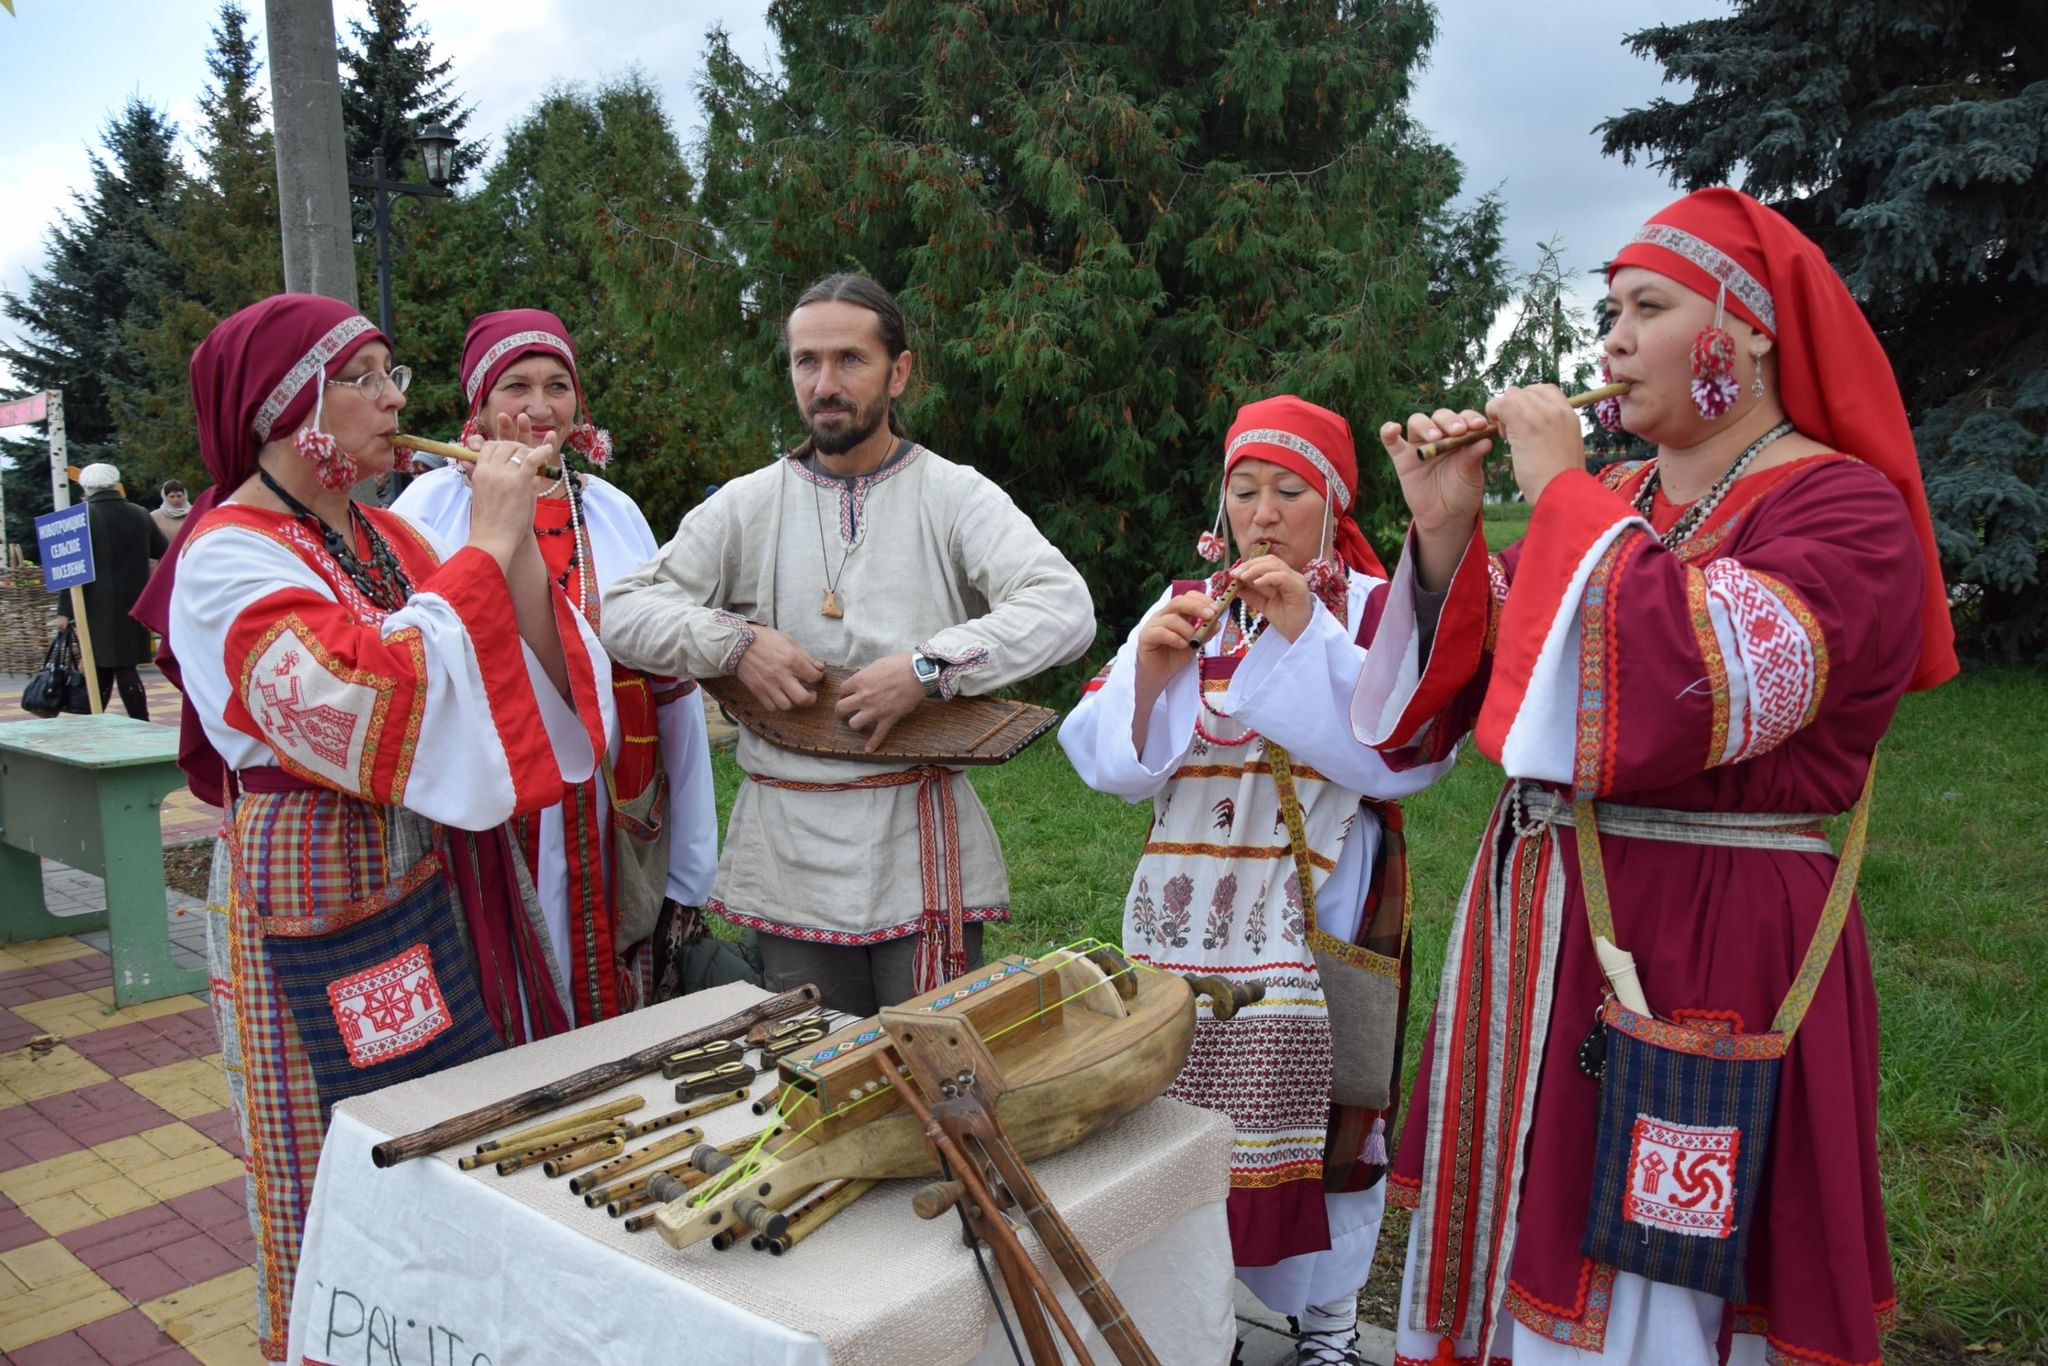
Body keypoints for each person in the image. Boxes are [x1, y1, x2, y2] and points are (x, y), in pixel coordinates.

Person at [1358, 188, 1955, 1366]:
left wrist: (1556, 492)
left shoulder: (1845, 507)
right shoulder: (1620, 503)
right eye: (1608, 310)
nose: (1611, 342)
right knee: (1527, 1207)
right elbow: (1502, 683)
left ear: (1739, 332)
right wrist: (1442, 535)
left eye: (1647, 307)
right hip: (1538, 928)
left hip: (1704, 935)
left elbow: (1699, 682)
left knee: (1653, 1251)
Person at [131, 293, 611, 1362]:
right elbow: (356, 699)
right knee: (354, 1136)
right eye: (366, 377)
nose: (397, 398)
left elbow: (509, 665)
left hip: (439, 864)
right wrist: (487, 540)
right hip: (320, 877)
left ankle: (471, 1331)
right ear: (286, 409)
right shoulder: (224, 556)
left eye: (391, 373)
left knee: (461, 1123)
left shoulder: (388, 532)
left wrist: (518, 543)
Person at [1060, 397, 1451, 1366]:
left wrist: (1304, 634)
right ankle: (1197, 1313)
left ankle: (1322, 1327)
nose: (1263, 513)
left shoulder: (1368, 607)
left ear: (1332, 501)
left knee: (1331, 1109)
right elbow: (1107, 761)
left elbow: (1398, 753)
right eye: (1245, 490)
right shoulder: (1185, 604)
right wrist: (1151, 671)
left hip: (1323, 903)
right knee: (1178, 1114)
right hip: (1186, 919)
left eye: (1289, 490)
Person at [601, 273, 1094, 1013]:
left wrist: (930, 668)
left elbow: (1065, 608)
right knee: (823, 1069)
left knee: (938, 1066)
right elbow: (623, 612)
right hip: (792, 842)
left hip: (914, 837)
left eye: (849, 360)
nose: (824, 383)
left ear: (898, 372)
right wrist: (736, 644)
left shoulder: (954, 494)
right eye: (807, 361)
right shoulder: (749, 503)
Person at [393, 309, 721, 1016]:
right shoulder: (427, 508)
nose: (540, 409)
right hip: (486, 808)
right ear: (477, 405)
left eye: (557, 386)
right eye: (516, 386)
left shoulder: (611, 511)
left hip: (610, 807)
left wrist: (692, 862)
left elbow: (670, 685)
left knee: (609, 982)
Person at [61, 462, 167, 718]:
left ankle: (107, 721)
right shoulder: (140, 513)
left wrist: (64, 611)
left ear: (86, 487)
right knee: (114, 663)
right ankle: (125, 720)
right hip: (135, 600)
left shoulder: (80, 517)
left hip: (96, 603)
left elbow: (68, 568)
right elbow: (161, 548)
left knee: (111, 662)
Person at [151, 477, 191, 543]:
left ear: (184, 495)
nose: (176, 499)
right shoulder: (154, 517)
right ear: (165, 497)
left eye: (179, 496)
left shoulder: (195, 513)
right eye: (172, 496)